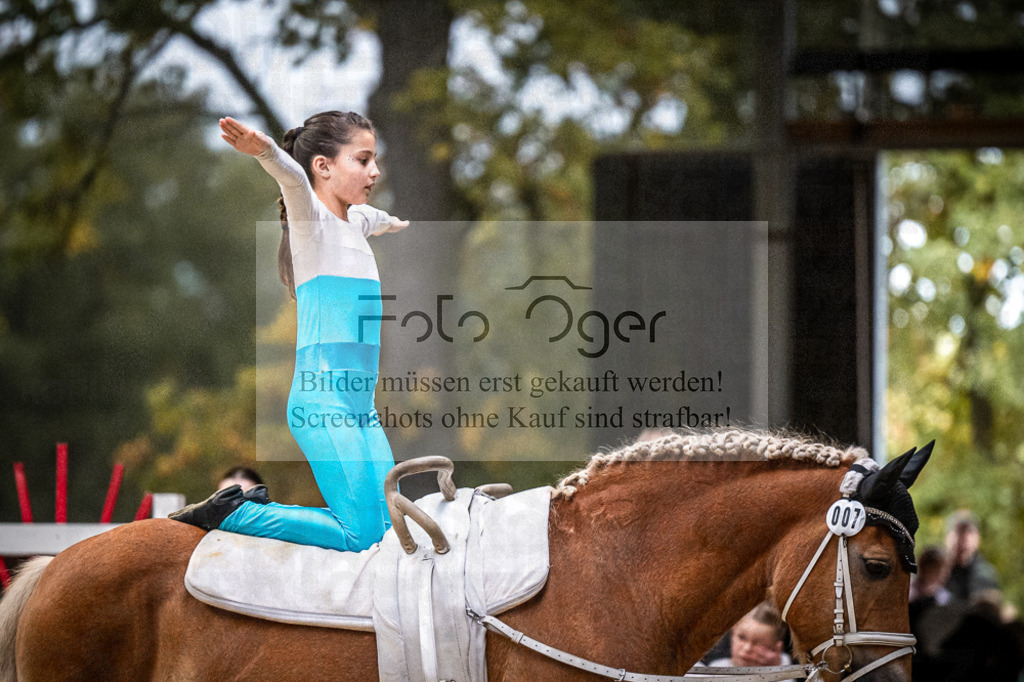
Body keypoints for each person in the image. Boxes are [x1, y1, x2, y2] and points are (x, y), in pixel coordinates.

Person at [170, 111, 408, 553]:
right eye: (362, 160)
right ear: (323, 166)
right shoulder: (310, 220)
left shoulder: (355, 222)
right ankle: (237, 512)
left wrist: (391, 222)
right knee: (359, 536)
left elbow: (370, 217)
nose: (375, 170)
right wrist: (263, 150)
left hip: (362, 410)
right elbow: (292, 180)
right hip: (323, 401)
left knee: (391, 533)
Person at [706, 602, 794, 678]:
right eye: (742, 637)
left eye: (759, 643)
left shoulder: (786, 671)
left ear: (775, 648)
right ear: (733, 631)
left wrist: (775, 673)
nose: (747, 648)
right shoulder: (715, 669)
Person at [944, 509, 1000, 602]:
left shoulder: (986, 573)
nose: (964, 538)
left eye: (969, 532)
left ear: (977, 538)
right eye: (958, 532)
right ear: (947, 537)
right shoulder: (936, 571)